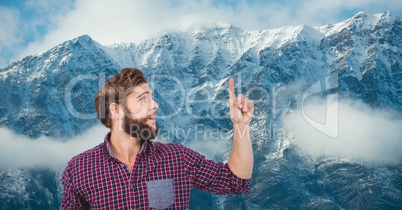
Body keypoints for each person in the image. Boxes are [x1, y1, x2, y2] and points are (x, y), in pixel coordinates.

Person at [61, 68, 254, 209]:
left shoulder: (178, 158)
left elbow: (235, 180)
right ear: (116, 110)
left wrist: (241, 125)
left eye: (152, 97)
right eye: (143, 99)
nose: (155, 105)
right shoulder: (79, 170)